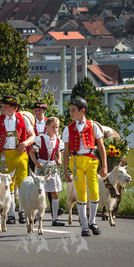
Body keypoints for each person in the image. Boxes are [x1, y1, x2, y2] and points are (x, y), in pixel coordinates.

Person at [62, 98, 108, 236]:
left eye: (73, 110)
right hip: (76, 162)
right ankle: (83, 225)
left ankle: (92, 221)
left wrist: (104, 165)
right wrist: (65, 170)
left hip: (90, 160)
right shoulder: (68, 129)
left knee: (94, 190)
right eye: (70, 110)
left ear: (82, 111)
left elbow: (101, 146)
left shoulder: (93, 126)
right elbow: (66, 151)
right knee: (81, 192)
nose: (70, 113)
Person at [0, 95, 35, 224]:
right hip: (5, 156)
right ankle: (10, 214)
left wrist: (25, 143)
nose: (3, 108)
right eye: (2, 106)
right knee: (7, 185)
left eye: (6, 106)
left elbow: (33, 136)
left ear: (15, 108)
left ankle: (22, 211)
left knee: (22, 184)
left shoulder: (23, 119)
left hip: (20, 155)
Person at [29, 117, 65, 226]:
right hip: (42, 165)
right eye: (53, 127)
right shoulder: (41, 138)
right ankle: (36, 215)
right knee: (41, 192)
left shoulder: (58, 140)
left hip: (52, 166)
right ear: (47, 127)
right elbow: (32, 152)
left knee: (54, 192)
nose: (55, 129)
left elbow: (59, 151)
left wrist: (59, 159)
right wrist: (36, 163)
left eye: (57, 127)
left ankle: (55, 218)